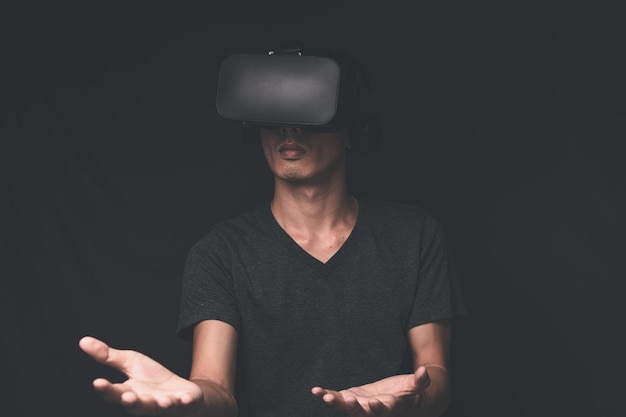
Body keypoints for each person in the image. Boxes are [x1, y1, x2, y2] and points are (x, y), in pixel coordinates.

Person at [79, 44, 465, 417]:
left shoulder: (413, 236)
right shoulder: (221, 253)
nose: (289, 129)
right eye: (275, 114)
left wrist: (411, 400)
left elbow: (436, 376)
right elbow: (217, 389)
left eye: (311, 110)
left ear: (352, 131)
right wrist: (195, 397)